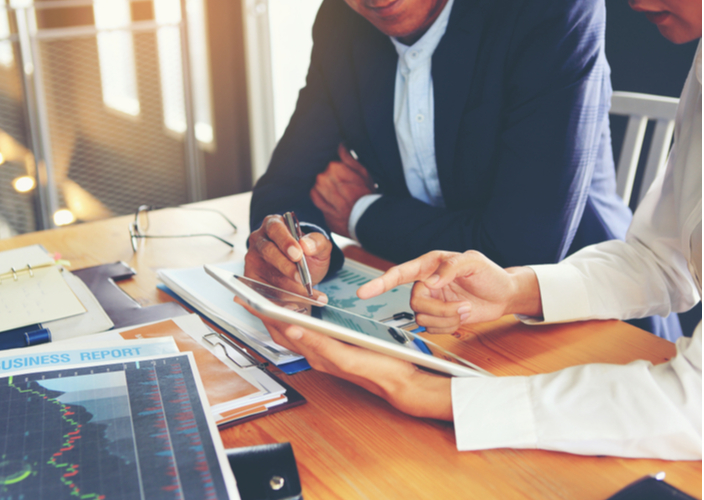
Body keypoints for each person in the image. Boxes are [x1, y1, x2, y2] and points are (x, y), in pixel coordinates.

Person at [243, 0, 701, 459]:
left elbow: (692, 408)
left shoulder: (550, 13)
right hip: (487, 322)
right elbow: (663, 259)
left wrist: (412, 386)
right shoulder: (343, 24)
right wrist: (515, 290)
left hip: (604, 342)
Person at [246, 0, 680, 339]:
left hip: (585, 320)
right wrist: (300, 249)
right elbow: (284, 187)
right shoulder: (342, 24)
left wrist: (362, 212)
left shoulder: (548, 10)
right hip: (437, 315)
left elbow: (518, 250)